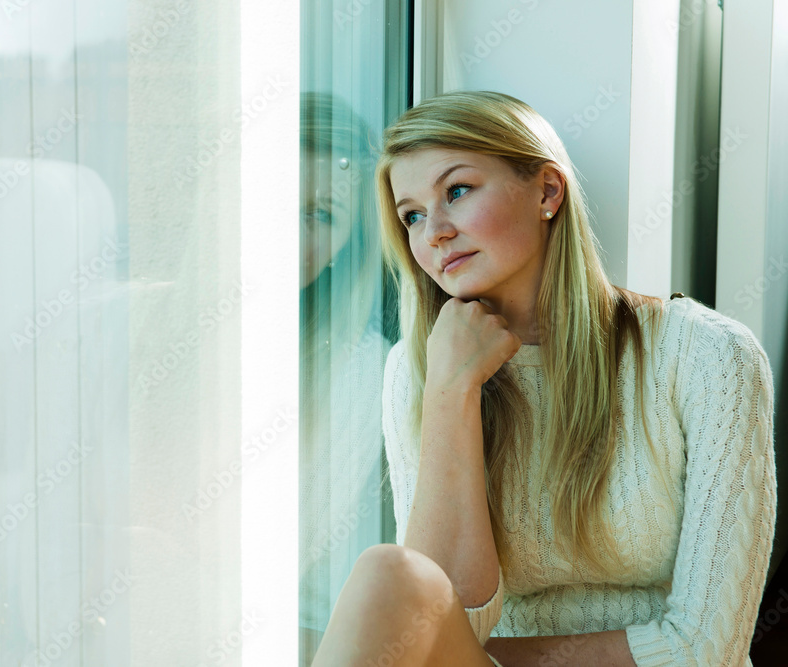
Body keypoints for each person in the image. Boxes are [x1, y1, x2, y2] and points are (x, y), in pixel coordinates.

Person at [311, 90, 777, 667]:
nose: (434, 232)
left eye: (457, 191)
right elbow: (445, 617)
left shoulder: (706, 354)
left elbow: (706, 648)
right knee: (389, 575)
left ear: (548, 192)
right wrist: (451, 393)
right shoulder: (419, 371)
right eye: (412, 215)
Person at [299, 91, 390, 664]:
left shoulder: (363, 373)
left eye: (320, 215)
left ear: (343, 246)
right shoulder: (128, 322)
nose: (286, 232)